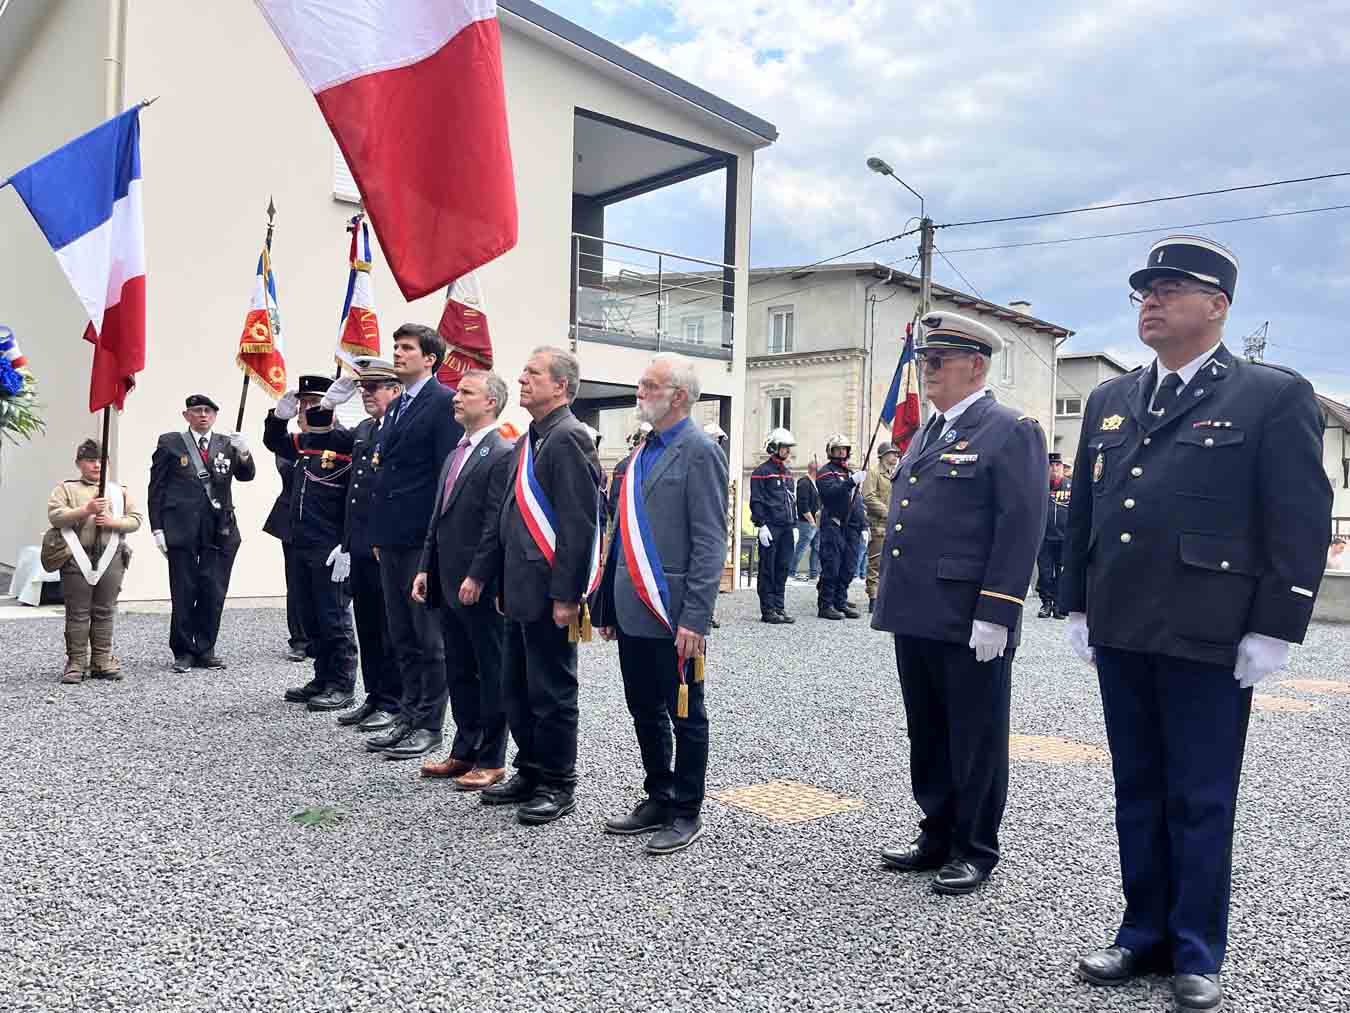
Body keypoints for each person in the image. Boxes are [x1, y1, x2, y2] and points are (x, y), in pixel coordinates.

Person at [1059, 236, 1332, 1013]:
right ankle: (1141, 931)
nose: (1150, 301)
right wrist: (1077, 599)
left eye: (1169, 288)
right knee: (1137, 787)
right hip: (1122, 625)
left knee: (1202, 795)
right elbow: (1086, 509)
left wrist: (1276, 625)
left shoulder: (1271, 395)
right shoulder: (1112, 399)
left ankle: (1195, 947)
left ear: (1217, 306)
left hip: (1210, 630)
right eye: (1145, 290)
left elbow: (1298, 518)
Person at [872, 311, 1045, 896]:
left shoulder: (1010, 429)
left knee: (975, 736)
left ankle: (974, 847)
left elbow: (1020, 527)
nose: (928, 370)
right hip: (917, 610)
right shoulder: (930, 431)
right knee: (927, 730)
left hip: (969, 613)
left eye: (938, 361)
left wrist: (998, 610)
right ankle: (937, 831)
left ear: (975, 365)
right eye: (926, 360)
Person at [595, 354, 727, 854]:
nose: (639, 392)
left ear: (679, 396)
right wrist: (607, 605)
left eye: (649, 385)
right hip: (633, 607)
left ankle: (686, 810)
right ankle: (658, 795)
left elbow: (710, 540)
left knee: (686, 714)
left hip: (674, 612)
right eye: (641, 385)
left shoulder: (700, 451)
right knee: (643, 709)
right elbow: (619, 535)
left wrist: (696, 617)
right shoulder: (640, 451)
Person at [482, 346, 600, 825]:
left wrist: (568, 595)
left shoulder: (569, 437)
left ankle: (557, 782)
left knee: (552, 691)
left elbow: (578, 525)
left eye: (533, 373)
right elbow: (510, 518)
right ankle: (529, 770)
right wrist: (501, 581)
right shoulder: (533, 437)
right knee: (517, 686)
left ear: (561, 386)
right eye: (524, 372)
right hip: (519, 588)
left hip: (551, 592)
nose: (522, 379)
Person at [363, 324, 464, 760]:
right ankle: (407, 715)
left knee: (427, 637)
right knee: (400, 633)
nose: (398, 353)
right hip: (391, 537)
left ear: (430, 359)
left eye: (407, 348)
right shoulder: (399, 406)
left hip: (421, 539)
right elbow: (384, 474)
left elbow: (445, 476)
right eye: (396, 347)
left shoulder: (442, 403)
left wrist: (434, 545)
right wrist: (378, 534)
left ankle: (429, 724)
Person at [411, 369, 516, 790]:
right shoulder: (457, 451)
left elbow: (495, 523)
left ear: (490, 402)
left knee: (490, 671)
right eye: (456, 392)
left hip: (478, 585)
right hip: (447, 579)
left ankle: (492, 759)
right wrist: (425, 566)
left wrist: (477, 575)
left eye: (466, 392)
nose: (456, 398)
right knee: (459, 670)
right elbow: (438, 517)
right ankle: (463, 750)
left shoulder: (501, 452)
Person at [263, 374, 359, 711]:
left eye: (314, 404)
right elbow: (275, 442)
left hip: (329, 543)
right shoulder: (306, 442)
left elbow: (356, 498)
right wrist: (278, 418)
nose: (307, 410)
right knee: (310, 614)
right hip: (300, 540)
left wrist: (347, 543)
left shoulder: (346, 441)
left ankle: (342, 684)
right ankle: (322, 677)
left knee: (333, 616)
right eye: (303, 404)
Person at [148, 394, 256, 672]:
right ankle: (184, 651)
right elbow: (156, 488)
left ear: (215, 416)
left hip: (219, 528)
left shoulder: (226, 444)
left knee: (213, 589)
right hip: (181, 526)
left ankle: (206, 648)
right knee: (184, 589)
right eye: (197, 410)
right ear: (187, 416)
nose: (203, 415)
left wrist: (244, 452)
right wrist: (157, 527)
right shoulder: (170, 443)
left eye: (208, 411)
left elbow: (246, 476)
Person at [330, 358, 402, 732]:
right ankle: (375, 695)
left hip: (385, 547)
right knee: (368, 625)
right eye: (363, 388)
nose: (366, 394)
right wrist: (346, 542)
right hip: (360, 545)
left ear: (396, 390)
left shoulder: (401, 429)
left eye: (374, 387)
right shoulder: (364, 429)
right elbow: (353, 492)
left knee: (390, 629)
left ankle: (394, 701)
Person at [47, 439, 142, 683]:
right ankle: (76, 663)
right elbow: (56, 516)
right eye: (90, 460)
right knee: (77, 612)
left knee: (104, 610)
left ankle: (102, 660)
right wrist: (86, 510)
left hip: (111, 557)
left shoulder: (119, 492)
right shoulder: (66, 489)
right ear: (79, 463)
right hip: (76, 557)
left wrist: (113, 522)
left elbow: (135, 519)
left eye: (101, 461)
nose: (96, 465)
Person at [263, 453, 311, 663]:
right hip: (293, 518)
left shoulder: (336, 441)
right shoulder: (292, 445)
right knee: (296, 583)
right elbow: (287, 470)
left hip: (326, 520)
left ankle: (323, 637)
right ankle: (300, 640)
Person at [815, 434, 867, 620]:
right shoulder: (826, 472)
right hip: (834, 524)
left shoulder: (849, 472)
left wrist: (864, 525)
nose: (841, 452)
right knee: (832, 566)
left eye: (844, 449)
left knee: (848, 567)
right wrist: (851, 482)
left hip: (851, 527)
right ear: (831, 451)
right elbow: (831, 493)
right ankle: (826, 604)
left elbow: (858, 501)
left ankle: (840, 601)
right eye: (837, 449)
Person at [750, 428, 797, 623]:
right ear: (774, 447)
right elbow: (757, 501)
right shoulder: (761, 472)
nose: (788, 451)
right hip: (770, 527)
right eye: (784, 447)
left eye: (788, 447)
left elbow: (792, 501)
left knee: (782, 568)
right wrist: (761, 525)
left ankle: (779, 607)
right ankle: (768, 610)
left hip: (786, 528)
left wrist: (794, 525)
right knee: (767, 569)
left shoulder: (788, 473)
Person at [862, 443, 900, 613]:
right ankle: (874, 597)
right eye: (893, 454)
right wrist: (888, 512)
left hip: (894, 524)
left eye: (897, 454)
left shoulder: (896, 473)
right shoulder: (873, 472)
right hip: (878, 524)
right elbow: (868, 496)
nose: (896, 456)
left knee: (891, 562)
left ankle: (885, 596)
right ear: (883, 455)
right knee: (876, 562)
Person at [1036, 452, 1072, 619]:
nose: (1054, 468)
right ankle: (1046, 603)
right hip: (1044, 538)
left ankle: (1058, 604)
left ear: (1062, 468)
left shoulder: (1071, 487)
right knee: (1045, 573)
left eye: (1058, 465)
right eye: (1051, 465)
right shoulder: (1040, 486)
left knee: (1062, 573)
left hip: (1064, 538)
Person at [792, 462, 821, 581]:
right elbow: (802, 505)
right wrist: (812, 521)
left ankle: (814, 573)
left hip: (817, 521)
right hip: (807, 522)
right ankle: (790, 572)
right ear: (815, 471)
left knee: (816, 548)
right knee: (802, 548)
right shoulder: (804, 482)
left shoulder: (815, 483)